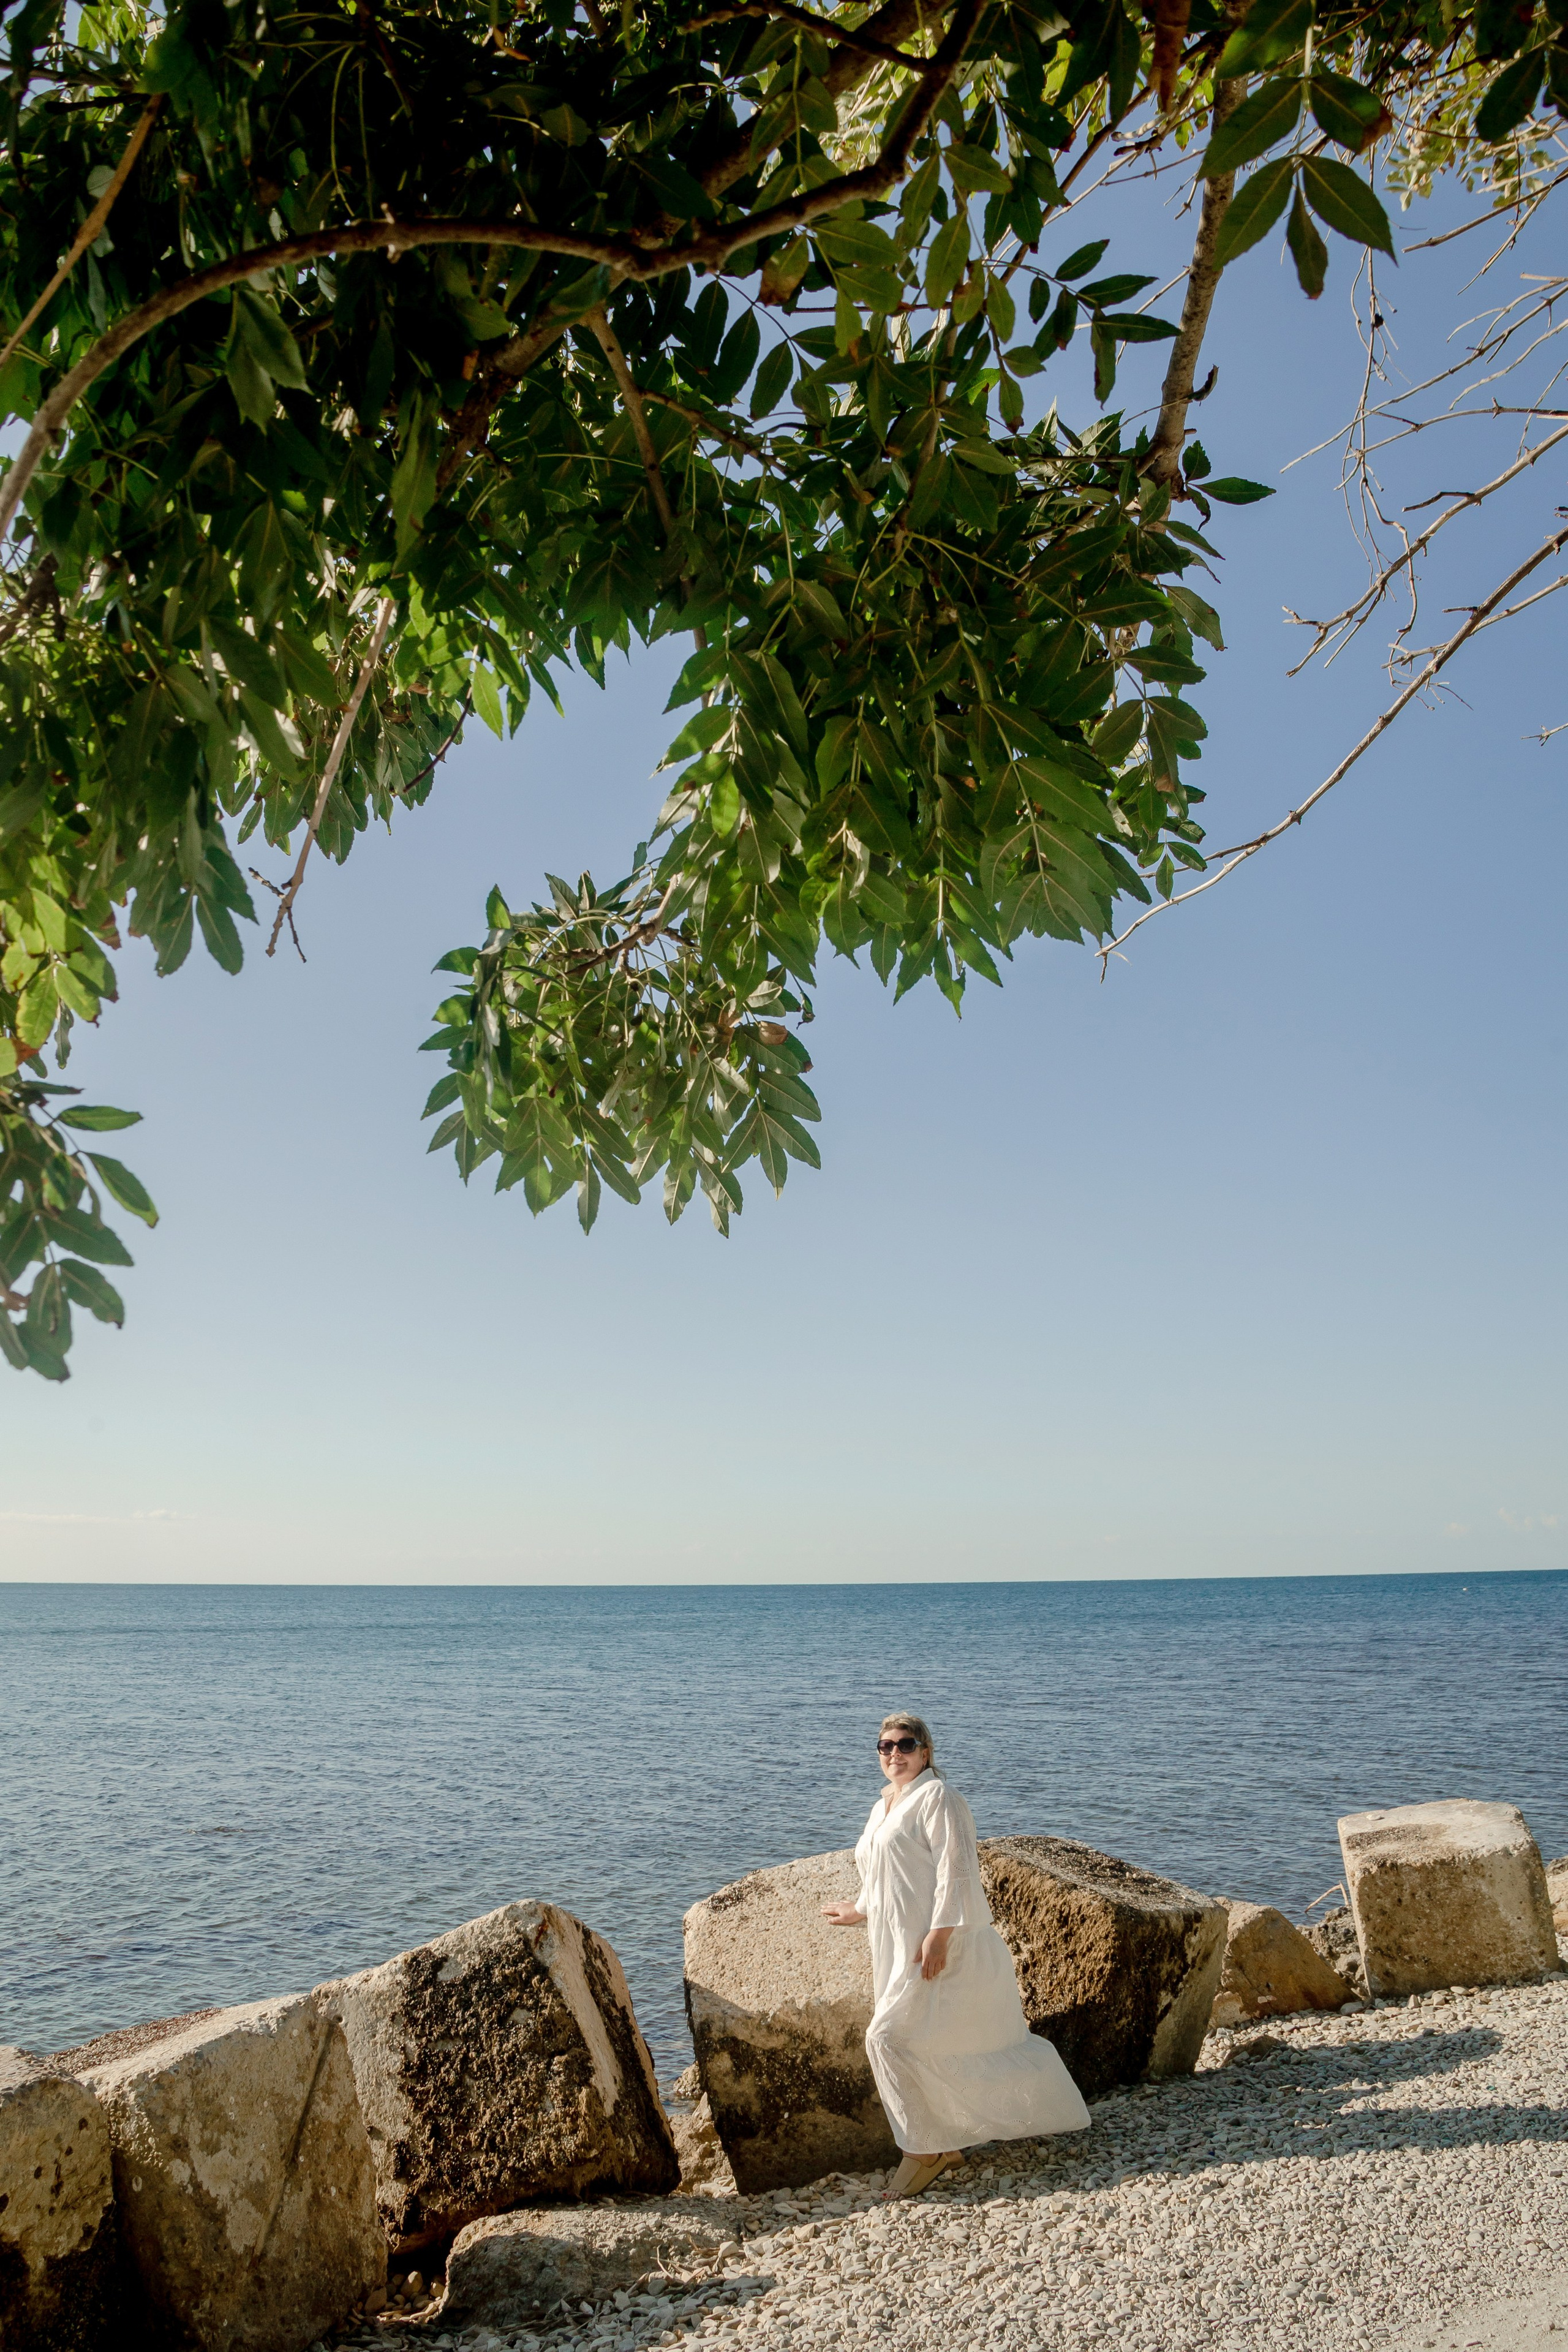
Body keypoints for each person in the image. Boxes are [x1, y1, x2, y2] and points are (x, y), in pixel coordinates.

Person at [822, 1711, 1090, 2198]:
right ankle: (942, 2143)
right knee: (913, 2041)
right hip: (894, 1941)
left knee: (884, 2038)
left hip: (938, 1945)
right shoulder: (885, 1803)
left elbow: (958, 1870)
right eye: (885, 1746)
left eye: (906, 1745)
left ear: (926, 1752)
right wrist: (860, 1908)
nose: (895, 1754)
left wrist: (941, 1934)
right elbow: (881, 1868)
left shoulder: (939, 1797)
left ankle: (924, 2152)